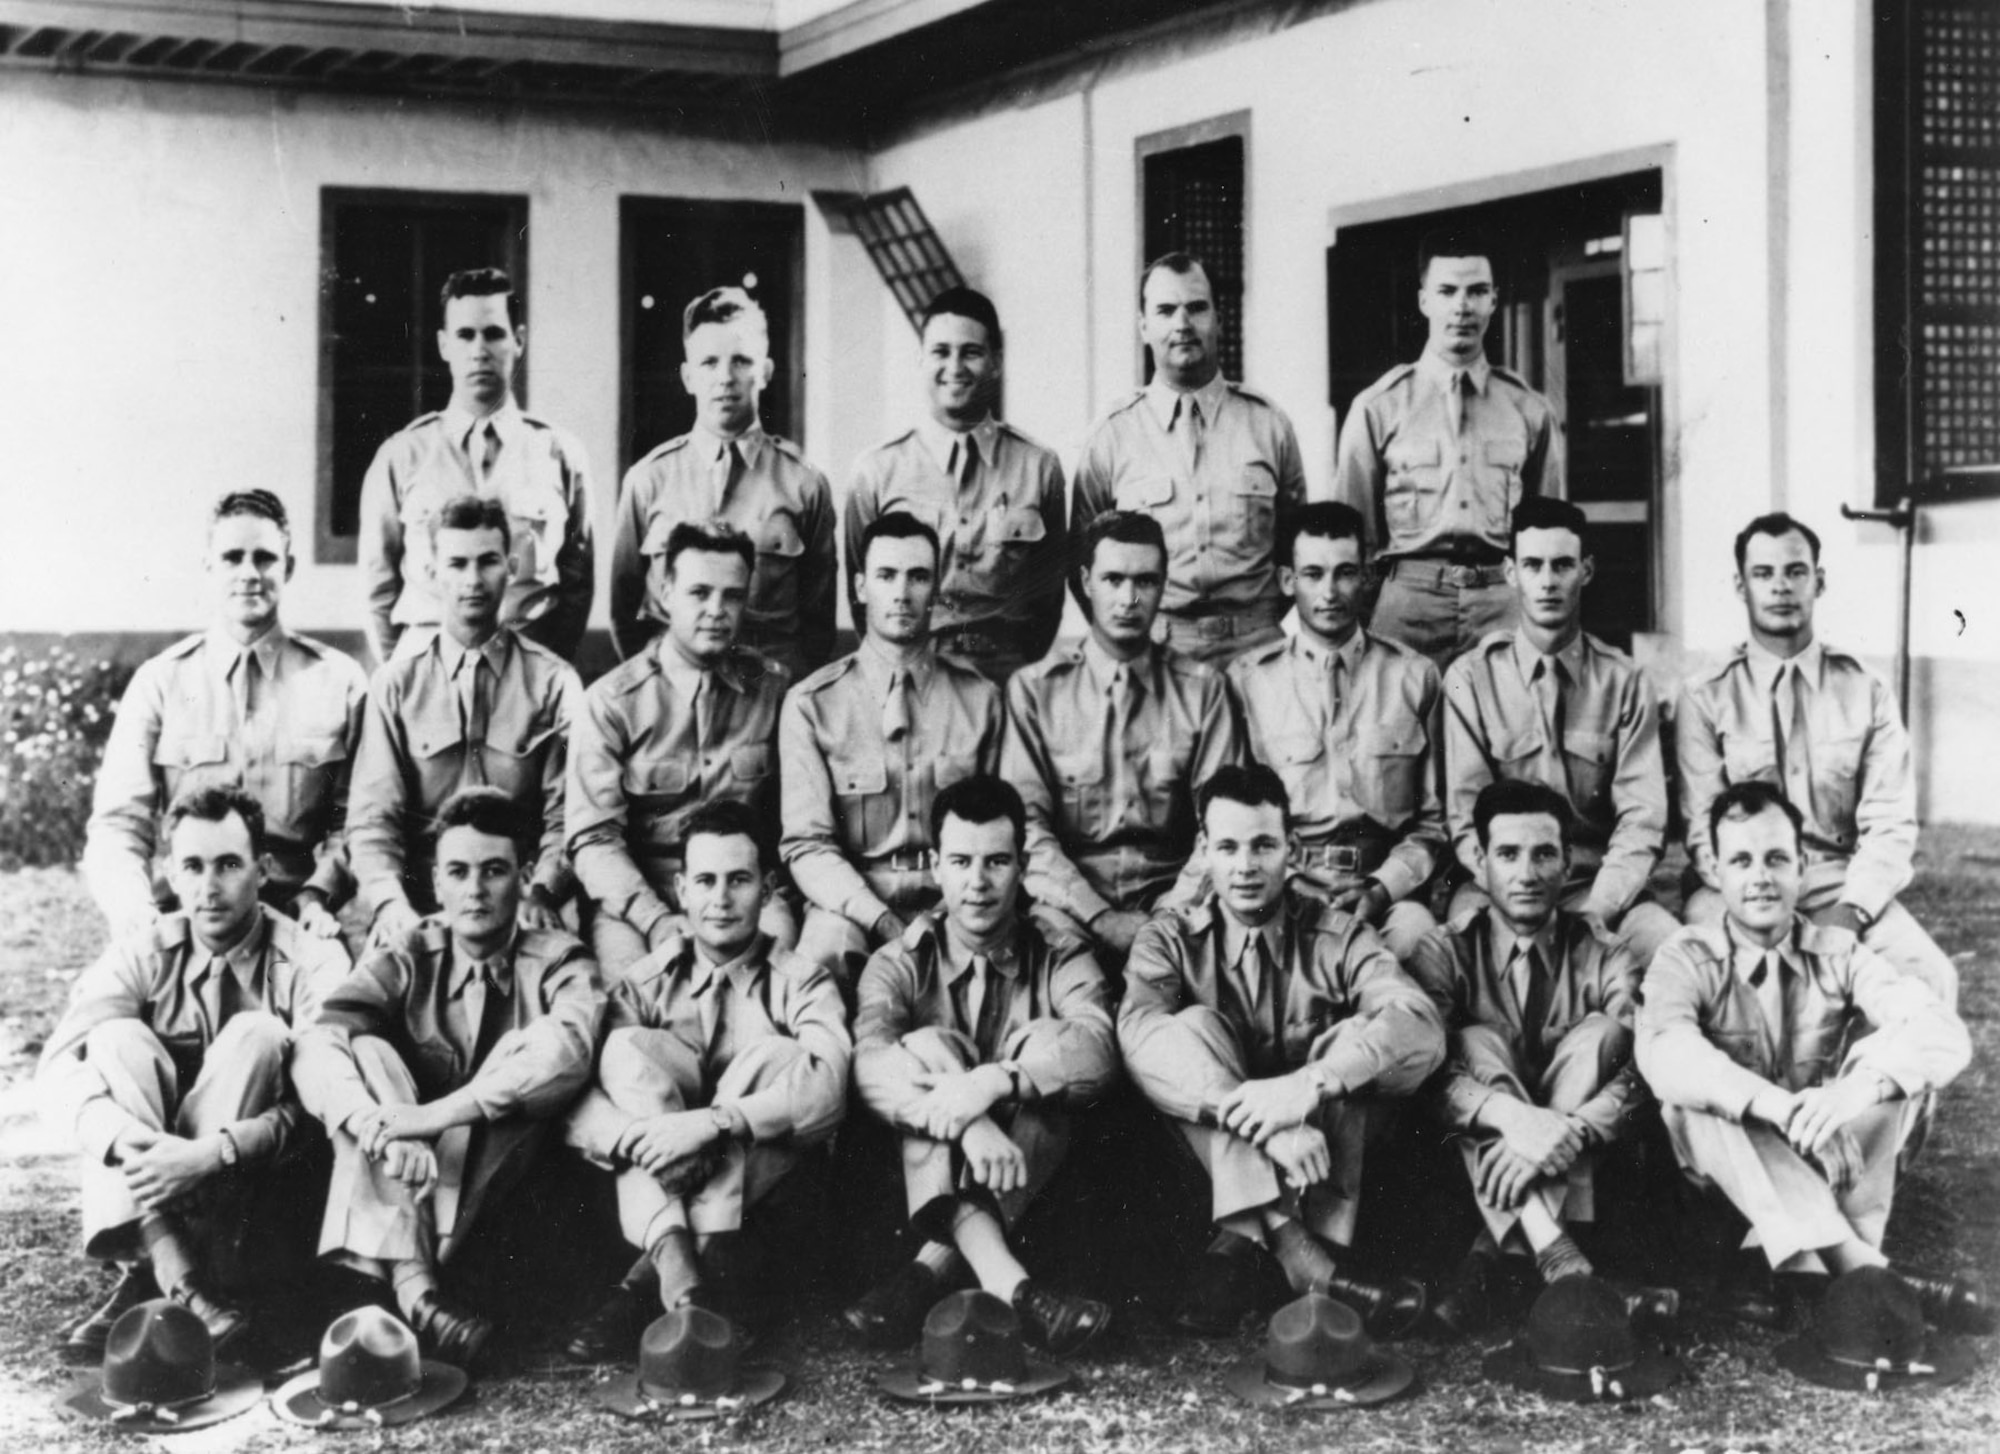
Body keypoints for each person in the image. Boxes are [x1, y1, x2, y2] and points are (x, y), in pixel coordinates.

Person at [1636, 782, 1989, 1333]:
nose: (1760, 877)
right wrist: (1778, 1106)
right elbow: (1664, 1052)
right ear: (1715, 872)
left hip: (1824, 1166)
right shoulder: (1685, 957)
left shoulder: (1840, 952)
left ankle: (1791, 1262)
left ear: (1802, 866)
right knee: (1701, 1094)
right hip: (1724, 1181)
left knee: (1892, 1067)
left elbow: (1941, 1030)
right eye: (1742, 860)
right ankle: (1861, 1268)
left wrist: (1854, 1090)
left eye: (1777, 859)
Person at [1118, 765, 1444, 1338]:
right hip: (1206, 1165)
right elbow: (1140, 1036)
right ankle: (1306, 1261)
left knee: (1352, 1041)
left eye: (1263, 846)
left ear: (1292, 850)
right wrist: (1264, 1123)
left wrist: (1308, 1085)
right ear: (1204, 852)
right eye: (1227, 847)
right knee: (1188, 1029)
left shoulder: (1338, 933)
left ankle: (1242, 1247)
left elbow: (1419, 1023)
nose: (1245, 866)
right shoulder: (1167, 938)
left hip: (1320, 1167)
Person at [294, 787, 606, 1367]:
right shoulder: (411, 951)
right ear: (435, 881)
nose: (475, 889)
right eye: (458, 872)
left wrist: (432, 1117)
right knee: (364, 1049)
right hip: (406, 1175)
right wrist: (380, 1123)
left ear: (526, 874)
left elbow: (568, 1053)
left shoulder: (562, 959)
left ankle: (402, 1289)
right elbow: (318, 1040)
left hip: (501, 1205)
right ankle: (422, 1298)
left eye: (494, 871)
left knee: (522, 1051)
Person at [41, 785, 352, 1358]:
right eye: (193, 866)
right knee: (114, 1040)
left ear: (263, 870)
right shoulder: (144, 951)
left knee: (258, 1034)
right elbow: (59, 1066)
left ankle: (187, 1279)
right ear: (171, 875)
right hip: (155, 1180)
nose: (210, 887)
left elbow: (324, 1106)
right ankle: (173, 1275)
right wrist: (125, 1139)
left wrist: (213, 1153)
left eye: (229, 865)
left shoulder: (309, 959)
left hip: (262, 1199)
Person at [562, 800, 850, 1358]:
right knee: (623, 1050)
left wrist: (712, 1124)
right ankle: (685, 1275)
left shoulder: (802, 982)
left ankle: (647, 1284)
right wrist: (633, 1139)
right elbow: (581, 1099)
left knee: (775, 1056)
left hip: (769, 1204)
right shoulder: (643, 984)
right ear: (680, 890)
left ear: (767, 890)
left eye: (739, 880)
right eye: (706, 881)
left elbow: (831, 1083)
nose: (721, 899)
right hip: (665, 1185)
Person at [845, 776, 1117, 1355]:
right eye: (961, 861)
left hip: (1038, 1182)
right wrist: (969, 1118)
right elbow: (868, 1065)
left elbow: (1099, 1045)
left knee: (1046, 1048)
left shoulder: (1060, 951)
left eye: (997, 861)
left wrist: (994, 1081)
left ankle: (929, 1269)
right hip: (907, 1183)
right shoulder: (898, 962)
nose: (978, 882)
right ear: (935, 866)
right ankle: (1011, 1286)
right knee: (925, 1048)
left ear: (1022, 867)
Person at [1676, 513, 1957, 1006]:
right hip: (1736, 886)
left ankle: (1871, 1086)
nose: (1781, 587)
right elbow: (1702, 830)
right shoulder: (1706, 697)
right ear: (1741, 586)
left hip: (1838, 886)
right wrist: (1764, 913)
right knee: (1732, 989)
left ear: (1818, 581)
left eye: (1796, 571)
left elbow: (1890, 825)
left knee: (1926, 977)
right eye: (1764, 574)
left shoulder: (1865, 691)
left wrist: (1852, 910)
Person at [1407, 781, 1648, 1338]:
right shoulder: (1442, 950)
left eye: (1544, 854)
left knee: (1603, 1033)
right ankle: (1555, 1250)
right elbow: (1430, 1075)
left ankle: (1491, 1255)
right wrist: (1512, 1118)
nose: (1527, 873)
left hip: (1555, 1154)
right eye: (1508, 854)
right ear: (1480, 862)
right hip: (1463, 1152)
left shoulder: (1606, 952)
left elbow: (1645, 1070)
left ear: (1568, 863)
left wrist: (1569, 1130)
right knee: (1472, 1044)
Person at [83, 489, 366, 942]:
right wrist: (133, 912)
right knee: (97, 1013)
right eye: (233, 558)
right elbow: (118, 823)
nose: (249, 574)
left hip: (295, 924)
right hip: (183, 920)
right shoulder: (161, 682)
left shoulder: (340, 681)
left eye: (265, 559)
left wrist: (319, 895)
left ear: (288, 567)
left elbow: (357, 820)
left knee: (349, 1011)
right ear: (209, 567)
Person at [1441, 497, 1679, 966]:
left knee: (1671, 951)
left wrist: (1597, 909)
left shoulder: (1624, 682)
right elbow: (1464, 816)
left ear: (1586, 571)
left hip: (1597, 887)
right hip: (1501, 886)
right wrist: (1519, 898)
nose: (1548, 582)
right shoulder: (1471, 680)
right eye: (1533, 565)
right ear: (1511, 573)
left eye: (1562, 565)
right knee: (1457, 958)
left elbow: (1642, 820)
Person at [1002, 510, 1242, 965]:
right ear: (1087, 581)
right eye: (1114, 580)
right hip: (1068, 907)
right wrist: (1097, 917)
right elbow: (1026, 829)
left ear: (1163, 585)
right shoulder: (1035, 691)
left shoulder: (1203, 690)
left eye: (1145, 581)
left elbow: (1223, 826)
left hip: (1176, 905)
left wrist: (1166, 917)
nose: (1129, 599)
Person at [779, 511, 1005, 988]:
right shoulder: (813, 704)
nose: (902, 593)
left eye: (918, 576)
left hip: (959, 897)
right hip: (856, 902)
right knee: (823, 953)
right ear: (861, 587)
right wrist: (880, 919)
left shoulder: (979, 700)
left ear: (937, 590)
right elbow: (807, 845)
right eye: (886, 576)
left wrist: (948, 912)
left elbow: (1001, 832)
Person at [348, 495, 582, 949]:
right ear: (432, 573)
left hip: (520, 902)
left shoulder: (554, 683)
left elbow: (568, 815)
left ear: (511, 567)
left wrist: (543, 890)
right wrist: (389, 901)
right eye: (457, 563)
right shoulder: (396, 685)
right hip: (419, 904)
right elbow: (374, 818)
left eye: (488, 561)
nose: (473, 580)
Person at [569, 520, 795, 979]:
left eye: (732, 595)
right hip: (643, 896)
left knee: (779, 977)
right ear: (665, 593)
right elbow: (593, 840)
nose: (716, 609)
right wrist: (653, 919)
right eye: (699, 592)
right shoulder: (612, 702)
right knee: (631, 991)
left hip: (746, 891)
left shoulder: (771, 689)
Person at [1332, 225, 1564, 667]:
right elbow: (1352, 538)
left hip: (1501, 598)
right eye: (1447, 291)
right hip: (1408, 601)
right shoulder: (1378, 407)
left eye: (1477, 291)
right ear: (1424, 300)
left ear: (1494, 299)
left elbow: (1550, 533)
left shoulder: (1528, 410)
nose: (1462, 306)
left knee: (1508, 731)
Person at [1226, 502, 1445, 959]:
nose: (1330, 591)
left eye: (1345, 573)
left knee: (1419, 940)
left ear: (1367, 577)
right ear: (1289, 581)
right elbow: (1232, 815)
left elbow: (1435, 819)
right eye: (1313, 574)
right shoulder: (1249, 682)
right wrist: (1288, 884)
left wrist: (1382, 890)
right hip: (1283, 891)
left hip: (1385, 894)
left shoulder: (1414, 677)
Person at [1071, 252, 1308, 666]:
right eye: (1165, 310)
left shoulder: (1268, 425)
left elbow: (1297, 549)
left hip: (1258, 651)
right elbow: (1081, 563)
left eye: (1196, 308)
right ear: (1144, 326)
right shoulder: (1111, 436)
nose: (1182, 324)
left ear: (1219, 318)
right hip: (1154, 651)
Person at [359, 267, 594, 665]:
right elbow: (378, 587)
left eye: (494, 334)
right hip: (426, 672)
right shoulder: (402, 456)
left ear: (518, 340)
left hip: (527, 674)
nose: (479, 350)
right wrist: (406, 680)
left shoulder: (559, 453)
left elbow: (577, 583)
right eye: (465, 335)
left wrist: (543, 675)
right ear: (444, 344)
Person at [843, 286, 1068, 683]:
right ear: (920, 359)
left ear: (996, 362)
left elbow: (1047, 598)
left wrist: (1014, 661)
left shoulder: (1038, 467)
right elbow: (862, 599)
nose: (955, 366)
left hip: (1006, 672)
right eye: (940, 352)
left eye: (971, 352)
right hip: (910, 672)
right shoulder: (876, 471)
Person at [610, 286, 836, 679]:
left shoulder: (805, 485)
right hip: (670, 698)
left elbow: (818, 623)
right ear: (687, 376)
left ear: (764, 372)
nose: (725, 378)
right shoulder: (648, 480)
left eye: (742, 361)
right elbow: (623, 609)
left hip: (768, 700)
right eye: (709, 362)